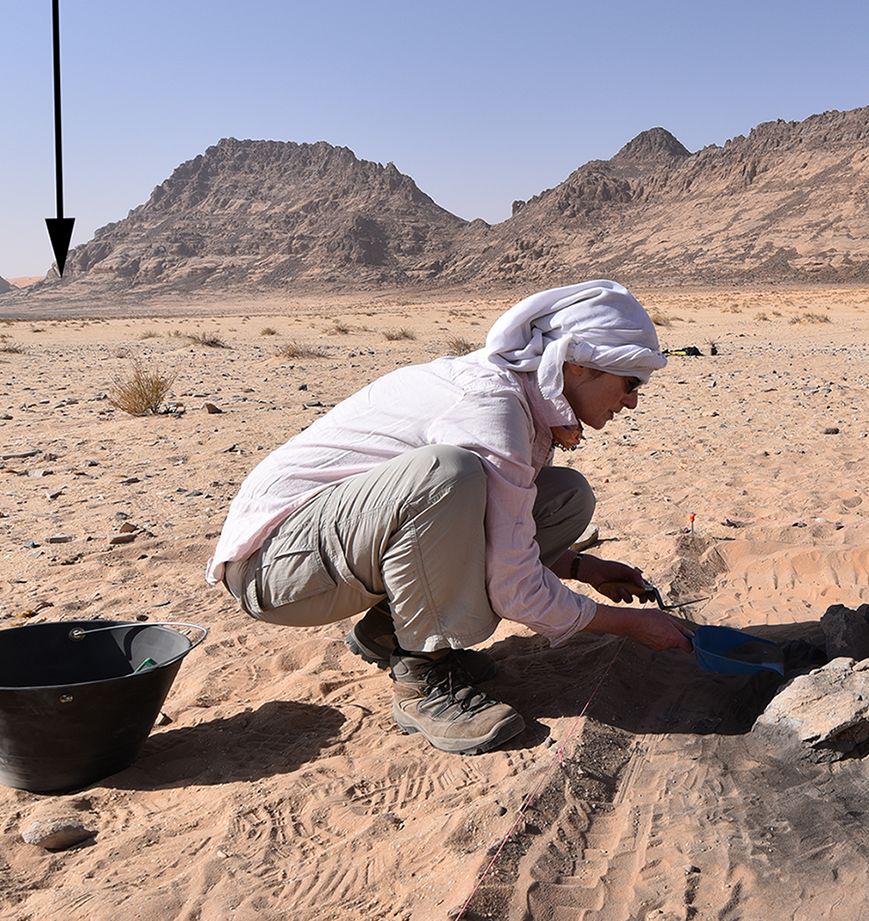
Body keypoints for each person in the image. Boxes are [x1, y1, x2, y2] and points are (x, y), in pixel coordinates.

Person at [207, 279, 693, 754]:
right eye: (630, 383)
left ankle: (387, 633)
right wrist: (628, 625)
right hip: (275, 573)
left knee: (564, 496)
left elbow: (503, 530)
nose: (631, 401)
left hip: (329, 549)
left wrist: (585, 568)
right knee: (448, 474)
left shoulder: (520, 398)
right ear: (579, 366)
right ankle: (423, 678)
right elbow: (514, 587)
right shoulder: (490, 404)